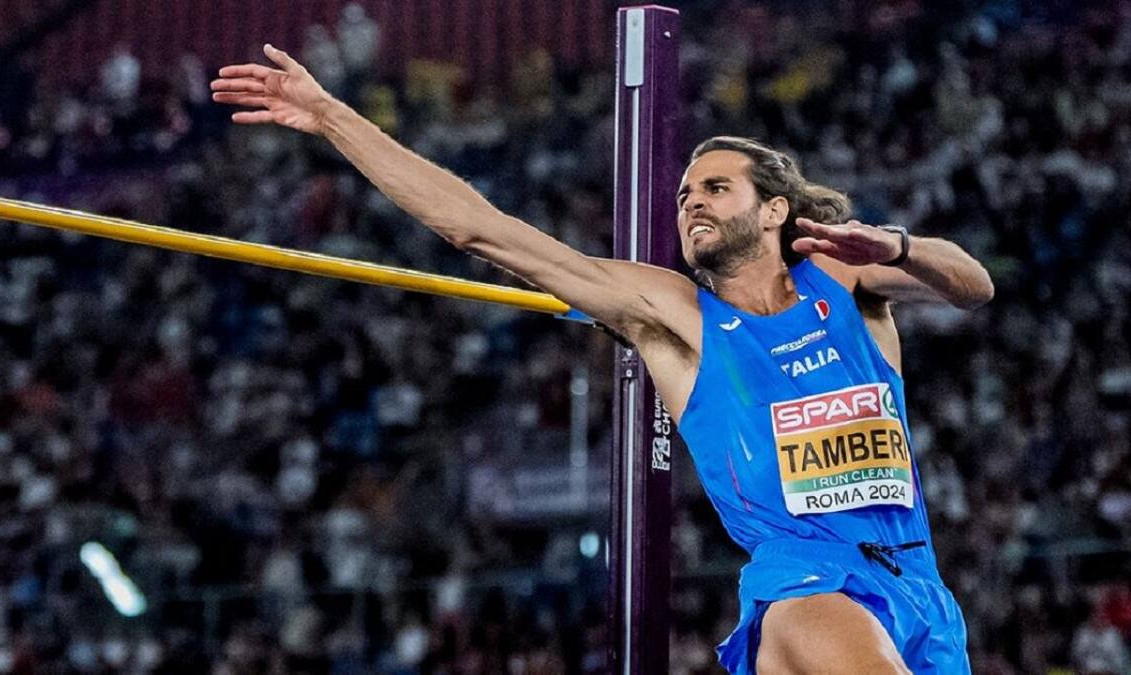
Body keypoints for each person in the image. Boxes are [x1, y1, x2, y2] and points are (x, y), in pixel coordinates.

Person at [211, 44, 993, 674]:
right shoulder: (675, 314)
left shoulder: (846, 280)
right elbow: (479, 229)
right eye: (685, 193)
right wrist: (332, 116)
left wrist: (897, 244)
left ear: (775, 209)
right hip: (809, 584)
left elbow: (973, 285)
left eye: (716, 188)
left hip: (919, 585)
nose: (691, 202)